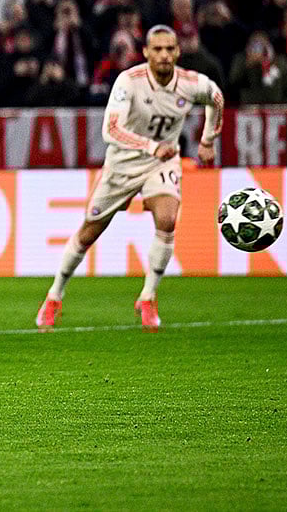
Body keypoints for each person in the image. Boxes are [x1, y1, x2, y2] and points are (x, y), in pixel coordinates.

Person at [36, 26, 224, 332]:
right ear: (146, 52)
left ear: (178, 52)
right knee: (88, 232)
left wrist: (208, 140)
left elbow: (215, 97)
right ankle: (54, 295)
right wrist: (151, 146)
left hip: (161, 164)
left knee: (167, 219)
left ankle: (148, 296)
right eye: (157, 49)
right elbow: (110, 131)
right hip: (123, 164)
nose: (164, 55)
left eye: (170, 49)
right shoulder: (129, 82)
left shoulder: (190, 84)